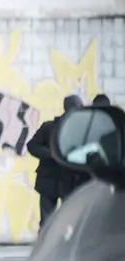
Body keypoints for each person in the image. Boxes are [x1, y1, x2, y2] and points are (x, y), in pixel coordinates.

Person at [26, 94, 83, 230]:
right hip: (54, 180)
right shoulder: (50, 127)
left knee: (55, 220)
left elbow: (32, 146)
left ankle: (48, 248)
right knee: (54, 220)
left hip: (65, 181)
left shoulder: (76, 129)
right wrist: (52, 154)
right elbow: (32, 146)